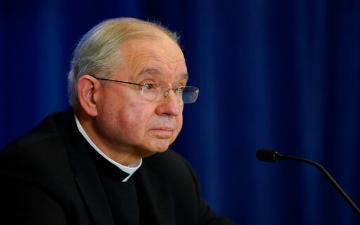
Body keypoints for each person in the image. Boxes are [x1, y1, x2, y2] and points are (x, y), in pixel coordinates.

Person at [0, 17, 233, 225]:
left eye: (179, 89)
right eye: (149, 86)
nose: (172, 108)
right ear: (91, 95)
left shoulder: (173, 171)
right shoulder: (32, 171)